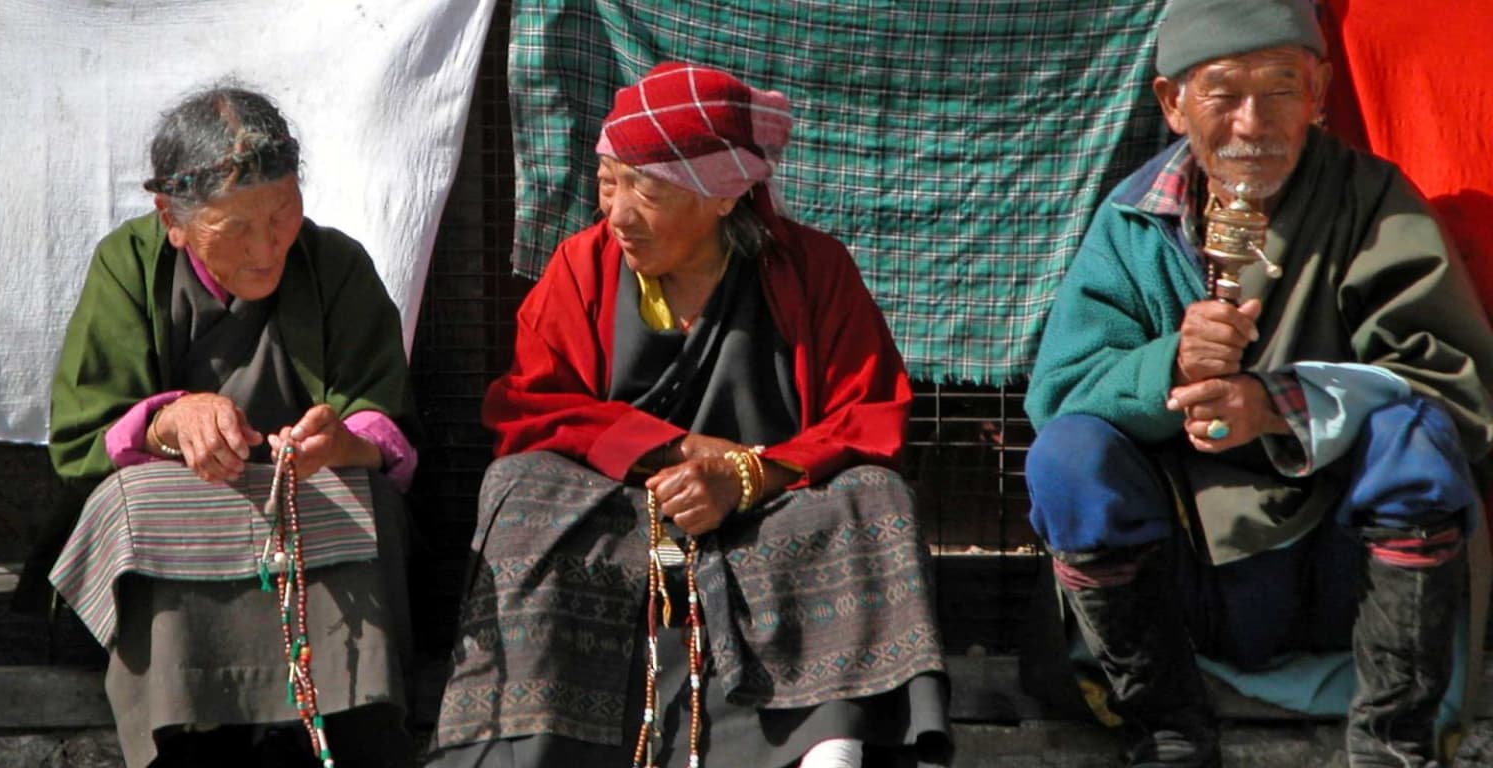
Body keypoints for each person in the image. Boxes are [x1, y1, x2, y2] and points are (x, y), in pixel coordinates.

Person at [431, 62, 951, 768]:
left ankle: (831, 747)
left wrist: (746, 476)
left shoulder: (813, 270)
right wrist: (672, 451)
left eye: (647, 189)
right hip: (624, 507)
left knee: (874, 496)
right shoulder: (582, 267)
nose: (617, 213)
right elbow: (533, 401)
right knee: (519, 487)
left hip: (773, 511)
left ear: (721, 196)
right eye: (610, 182)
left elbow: (868, 413)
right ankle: (533, 741)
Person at [1022, 0, 1493, 765]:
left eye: (1280, 89)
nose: (1253, 123)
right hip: (1185, 571)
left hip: (1339, 562)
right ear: (1173, 104)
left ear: (1318, 94)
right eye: (1224, 94)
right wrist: (1167, 366)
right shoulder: (1133, 220)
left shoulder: (1370, 201)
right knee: (1069, 458)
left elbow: (1454, 382)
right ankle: (1168, 727)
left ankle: (1389, 741)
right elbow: (1060, 397)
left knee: (1417, 437)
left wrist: (1277, 406)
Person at [45, 85, 418, 768]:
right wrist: (168, 420)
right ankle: (185, 740)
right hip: (178, 509)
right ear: (172, 218)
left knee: (364, 500)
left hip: (308, 498)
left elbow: (383, 418)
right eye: (235, 227)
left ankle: (348, 729)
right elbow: (81, 440)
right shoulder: (126, 266)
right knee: (137, 508)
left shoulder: (337, 265)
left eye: (281, 215)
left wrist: (344, 441)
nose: (266, 247)